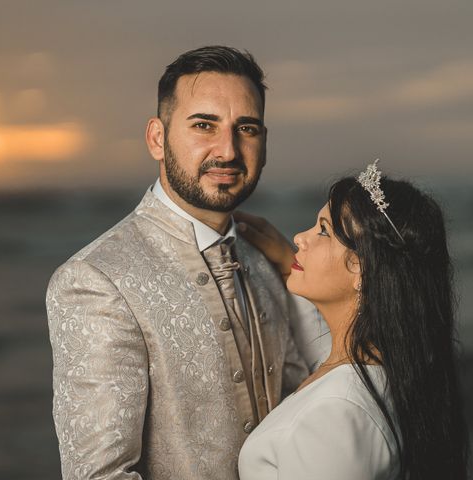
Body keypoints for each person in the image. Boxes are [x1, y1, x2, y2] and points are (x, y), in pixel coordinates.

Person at [45, 46, 329, 480]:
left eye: (246, 128)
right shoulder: (95, 280)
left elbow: (303, 410)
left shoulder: (270, 265)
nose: (228, 150)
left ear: (264, 143)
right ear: (157, 138)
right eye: (204, 125)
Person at [236, 160, 469, 479]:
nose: (300, 237)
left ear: (360, 267)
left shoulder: (336, 413)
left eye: (323, 231)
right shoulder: (387, 373)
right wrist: (287, 264)